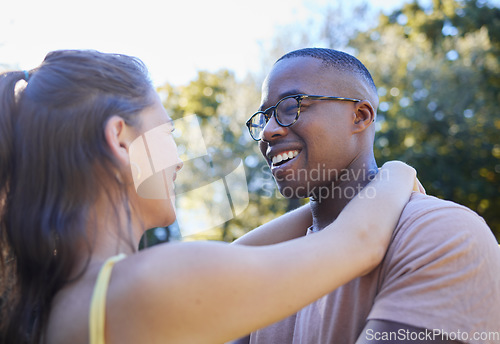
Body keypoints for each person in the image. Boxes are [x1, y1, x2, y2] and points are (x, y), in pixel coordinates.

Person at [0, 49, 419, 344]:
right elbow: (357, 243)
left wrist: (324, 200)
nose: (179, 161)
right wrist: (399, 172)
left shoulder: (65, 295)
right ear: (120, 141)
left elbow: (236, 254)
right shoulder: (150, 284)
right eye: (168, 133)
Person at [236, 48, 500, 344]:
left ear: (360, 116)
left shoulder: (445, 235)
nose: (268, 132)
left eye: (290, 106)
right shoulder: (263, 270)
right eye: (264, 117)